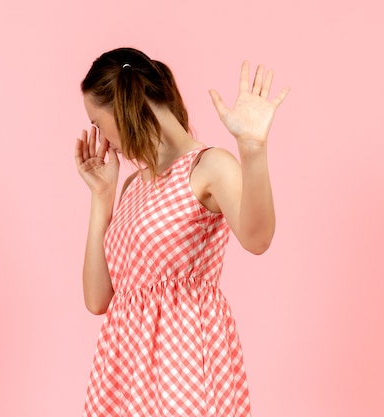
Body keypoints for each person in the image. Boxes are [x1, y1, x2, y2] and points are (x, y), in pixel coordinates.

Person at [74, 47, 289, 417]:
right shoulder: (132, 187)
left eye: (98, 123)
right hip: (125, 374)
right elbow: (98, 300)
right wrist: (101, 196)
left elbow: (258, 238)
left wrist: (252, 152)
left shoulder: (208, 166)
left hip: (182, 360)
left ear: (124, 103)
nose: (102, 140)